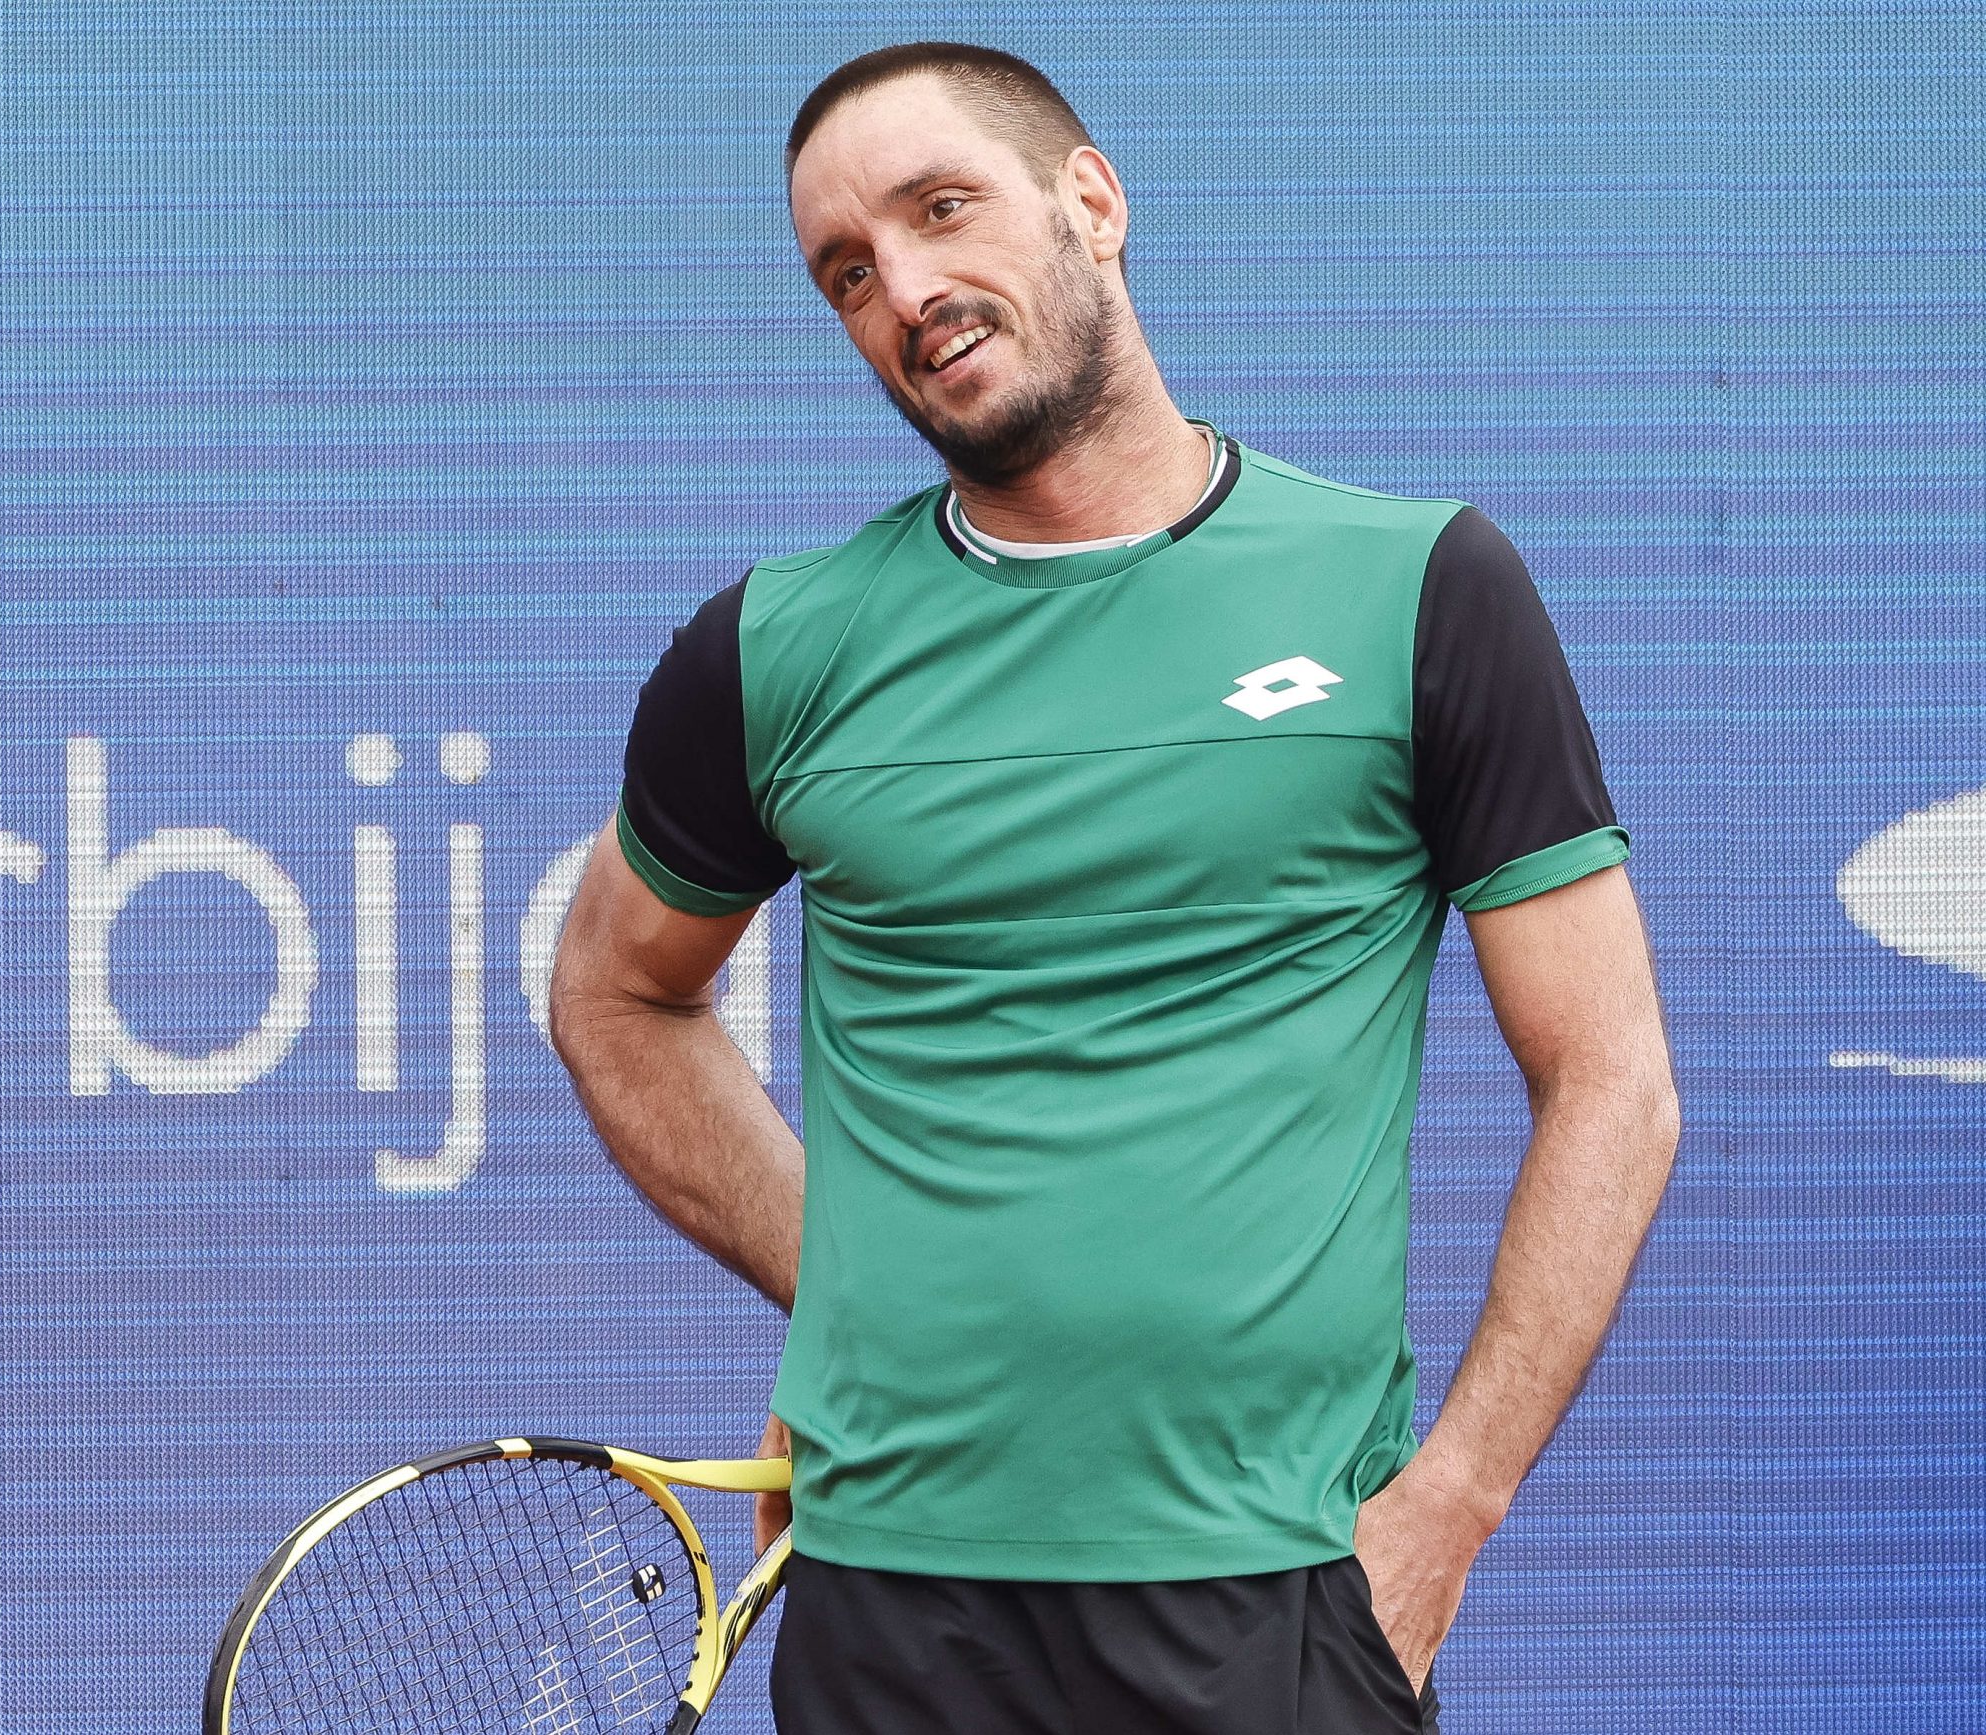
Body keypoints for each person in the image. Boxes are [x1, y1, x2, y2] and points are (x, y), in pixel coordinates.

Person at [549, 41, 1679, 1735]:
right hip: (891, 1609)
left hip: (1277, 1601)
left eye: (944, 211)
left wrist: (1448, 1509)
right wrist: (852, 1283)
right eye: (848, 271)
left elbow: (1614, 1081)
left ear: (1093, 199)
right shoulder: (768, 653)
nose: (908, 289)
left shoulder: (1419, 588)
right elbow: (615, 991)